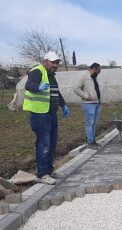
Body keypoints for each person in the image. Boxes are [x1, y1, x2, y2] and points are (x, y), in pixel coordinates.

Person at [23, 51, 70, 185]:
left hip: (50, 113)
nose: (56, 65)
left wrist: (63, 104)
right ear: (45, 61)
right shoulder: (37, 71)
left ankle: (49, 171)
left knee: (52, 142)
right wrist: (38, 87)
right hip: (39, 114)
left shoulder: (51, 75)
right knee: (44, 144)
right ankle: (41, 174)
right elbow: (29, 85)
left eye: (57, 62)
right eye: (53, 62)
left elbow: (56, 92)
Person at [73, 63, 102, 150]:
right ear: (94, 69)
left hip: (96, 103)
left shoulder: (94, 77)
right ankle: (90, 142)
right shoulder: (85, 76)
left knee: (94, 123)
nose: (99, 72)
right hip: (89, 104)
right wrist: (86, 96)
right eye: (99, 70)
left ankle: (93, 141)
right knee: (89, 123)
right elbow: (75, 88)